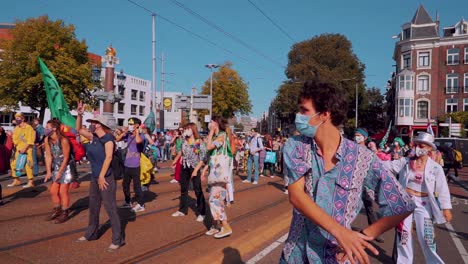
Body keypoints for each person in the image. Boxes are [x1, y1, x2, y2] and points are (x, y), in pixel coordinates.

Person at [280, 80, 415, 264]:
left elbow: (402, 205)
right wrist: (340, 231)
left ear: (324, 115)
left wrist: (363, 237)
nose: (298, 116)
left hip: (336, 258)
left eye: (304, 111)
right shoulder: (296, 147)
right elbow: (296, 196)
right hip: (296, 255)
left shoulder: (363, 158)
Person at [383, 132, 452, 264]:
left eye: (422, 145)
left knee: (427, 237)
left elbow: (442, 189)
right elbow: (389, 166)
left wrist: (446, 208)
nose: (418, 148)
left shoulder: (436, 168)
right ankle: (404, 262)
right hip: (406, 202)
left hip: (424, 204)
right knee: (404, 235)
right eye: (417, 145)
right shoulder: (406, 162)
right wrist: (371, 161)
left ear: (429, 148)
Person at [75, 101, 124, 251]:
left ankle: (117, 239)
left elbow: (108, 158)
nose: (90, 125)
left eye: (93, 123)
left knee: (110, 208)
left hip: (106, 177)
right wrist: (80, 114)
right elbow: (78, 129)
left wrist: (102, 176)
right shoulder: (93, 138)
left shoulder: (108, 140)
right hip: (95, 177)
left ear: (100, 125)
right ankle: (91, 233)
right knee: (93, 206)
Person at [202, 117, 233, 238]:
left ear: (216, 124)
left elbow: (208, 147)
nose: (209, 124)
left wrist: (210, 132)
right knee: (215, 199)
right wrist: (205, 170)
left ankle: (225, 226)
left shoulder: (222, 136)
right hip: (214, 174)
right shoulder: (218, 136)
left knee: (214, 201)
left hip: (219, 175)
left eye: (211, 122)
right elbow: (211, 156)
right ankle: (215, 226)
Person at [171, 123, 207, 221]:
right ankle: (182, 210)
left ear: (193, 130)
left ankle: (202, 212)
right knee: (183, 188)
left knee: (197, 189)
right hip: (184, 166)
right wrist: (175, 160)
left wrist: (196, 170)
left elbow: (203, 158)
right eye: (185, 129)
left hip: (194, 167)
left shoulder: (198, 142)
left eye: (188, 129)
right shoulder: (184, 141)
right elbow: (181, 152)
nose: (185, 130)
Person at [354, 127, 384, 243]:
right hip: (352, 183)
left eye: (359, 135)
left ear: (365, 138)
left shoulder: (369, 152)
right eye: (355, 135)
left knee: (369, 207)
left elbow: (375, 167)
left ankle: (375, 232)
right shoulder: (351, 150)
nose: (356, 137)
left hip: (365, 184)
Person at [43, 119, 74, 224]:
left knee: (62, 191)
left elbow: (66, 157)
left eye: (47, 127)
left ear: (54, 128)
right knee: (53, 191)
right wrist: (48, 171)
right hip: (56, 166)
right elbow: (48, 156)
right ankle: (57, 210)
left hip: (67, 167)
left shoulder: (63, 140)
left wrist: (60, 172)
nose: (45, 129)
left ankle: (65, 212)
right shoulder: (47, 140)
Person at [115, 118, 146, 213]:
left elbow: (138, 141)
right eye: (129, 123)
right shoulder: (128, 135)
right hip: (127, 164)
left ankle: (141, 204)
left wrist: (137, 132)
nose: (129, 125)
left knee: (137, 186)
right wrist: (124, 132)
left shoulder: (142, 136)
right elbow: (117, 139)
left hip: (136, 165)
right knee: (125, 185)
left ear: (137, 125)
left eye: (131, 124)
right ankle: (128, 201)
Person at [8, 113, 36, 188]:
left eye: (18, 118)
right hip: (18, 149)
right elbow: (15, 140)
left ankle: (31, 181)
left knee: (28, 165)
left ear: (23, 119)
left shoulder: (29, 128)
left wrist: (25, 148)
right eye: (15, 118)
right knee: (14, 164)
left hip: (27, 149)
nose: (16, 119)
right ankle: (16, 180)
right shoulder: (17, 128)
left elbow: (30, 140)